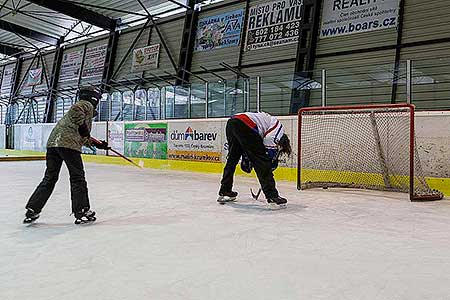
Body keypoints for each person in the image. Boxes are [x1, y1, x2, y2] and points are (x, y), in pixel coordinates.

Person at [23, 87, 110, 224]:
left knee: (49, 178)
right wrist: (83, 126)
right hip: (68, 145)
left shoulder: (79, 117)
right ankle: (81, 210)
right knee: (77, 178)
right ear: (94, 98)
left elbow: (82, 136)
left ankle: (33, 209)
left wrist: (97, 144)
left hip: (53, 144)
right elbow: (76, 110)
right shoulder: (86, 104)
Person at [218, 111, 292, 206]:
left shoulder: (268, 123)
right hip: (245, 124)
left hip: (232, 123)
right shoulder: (279, 130)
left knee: (232, 158)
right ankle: (272, 196)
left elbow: (253, 143)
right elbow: (267, 147)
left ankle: (225, 190)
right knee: (262, 162)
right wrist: (269, 163)